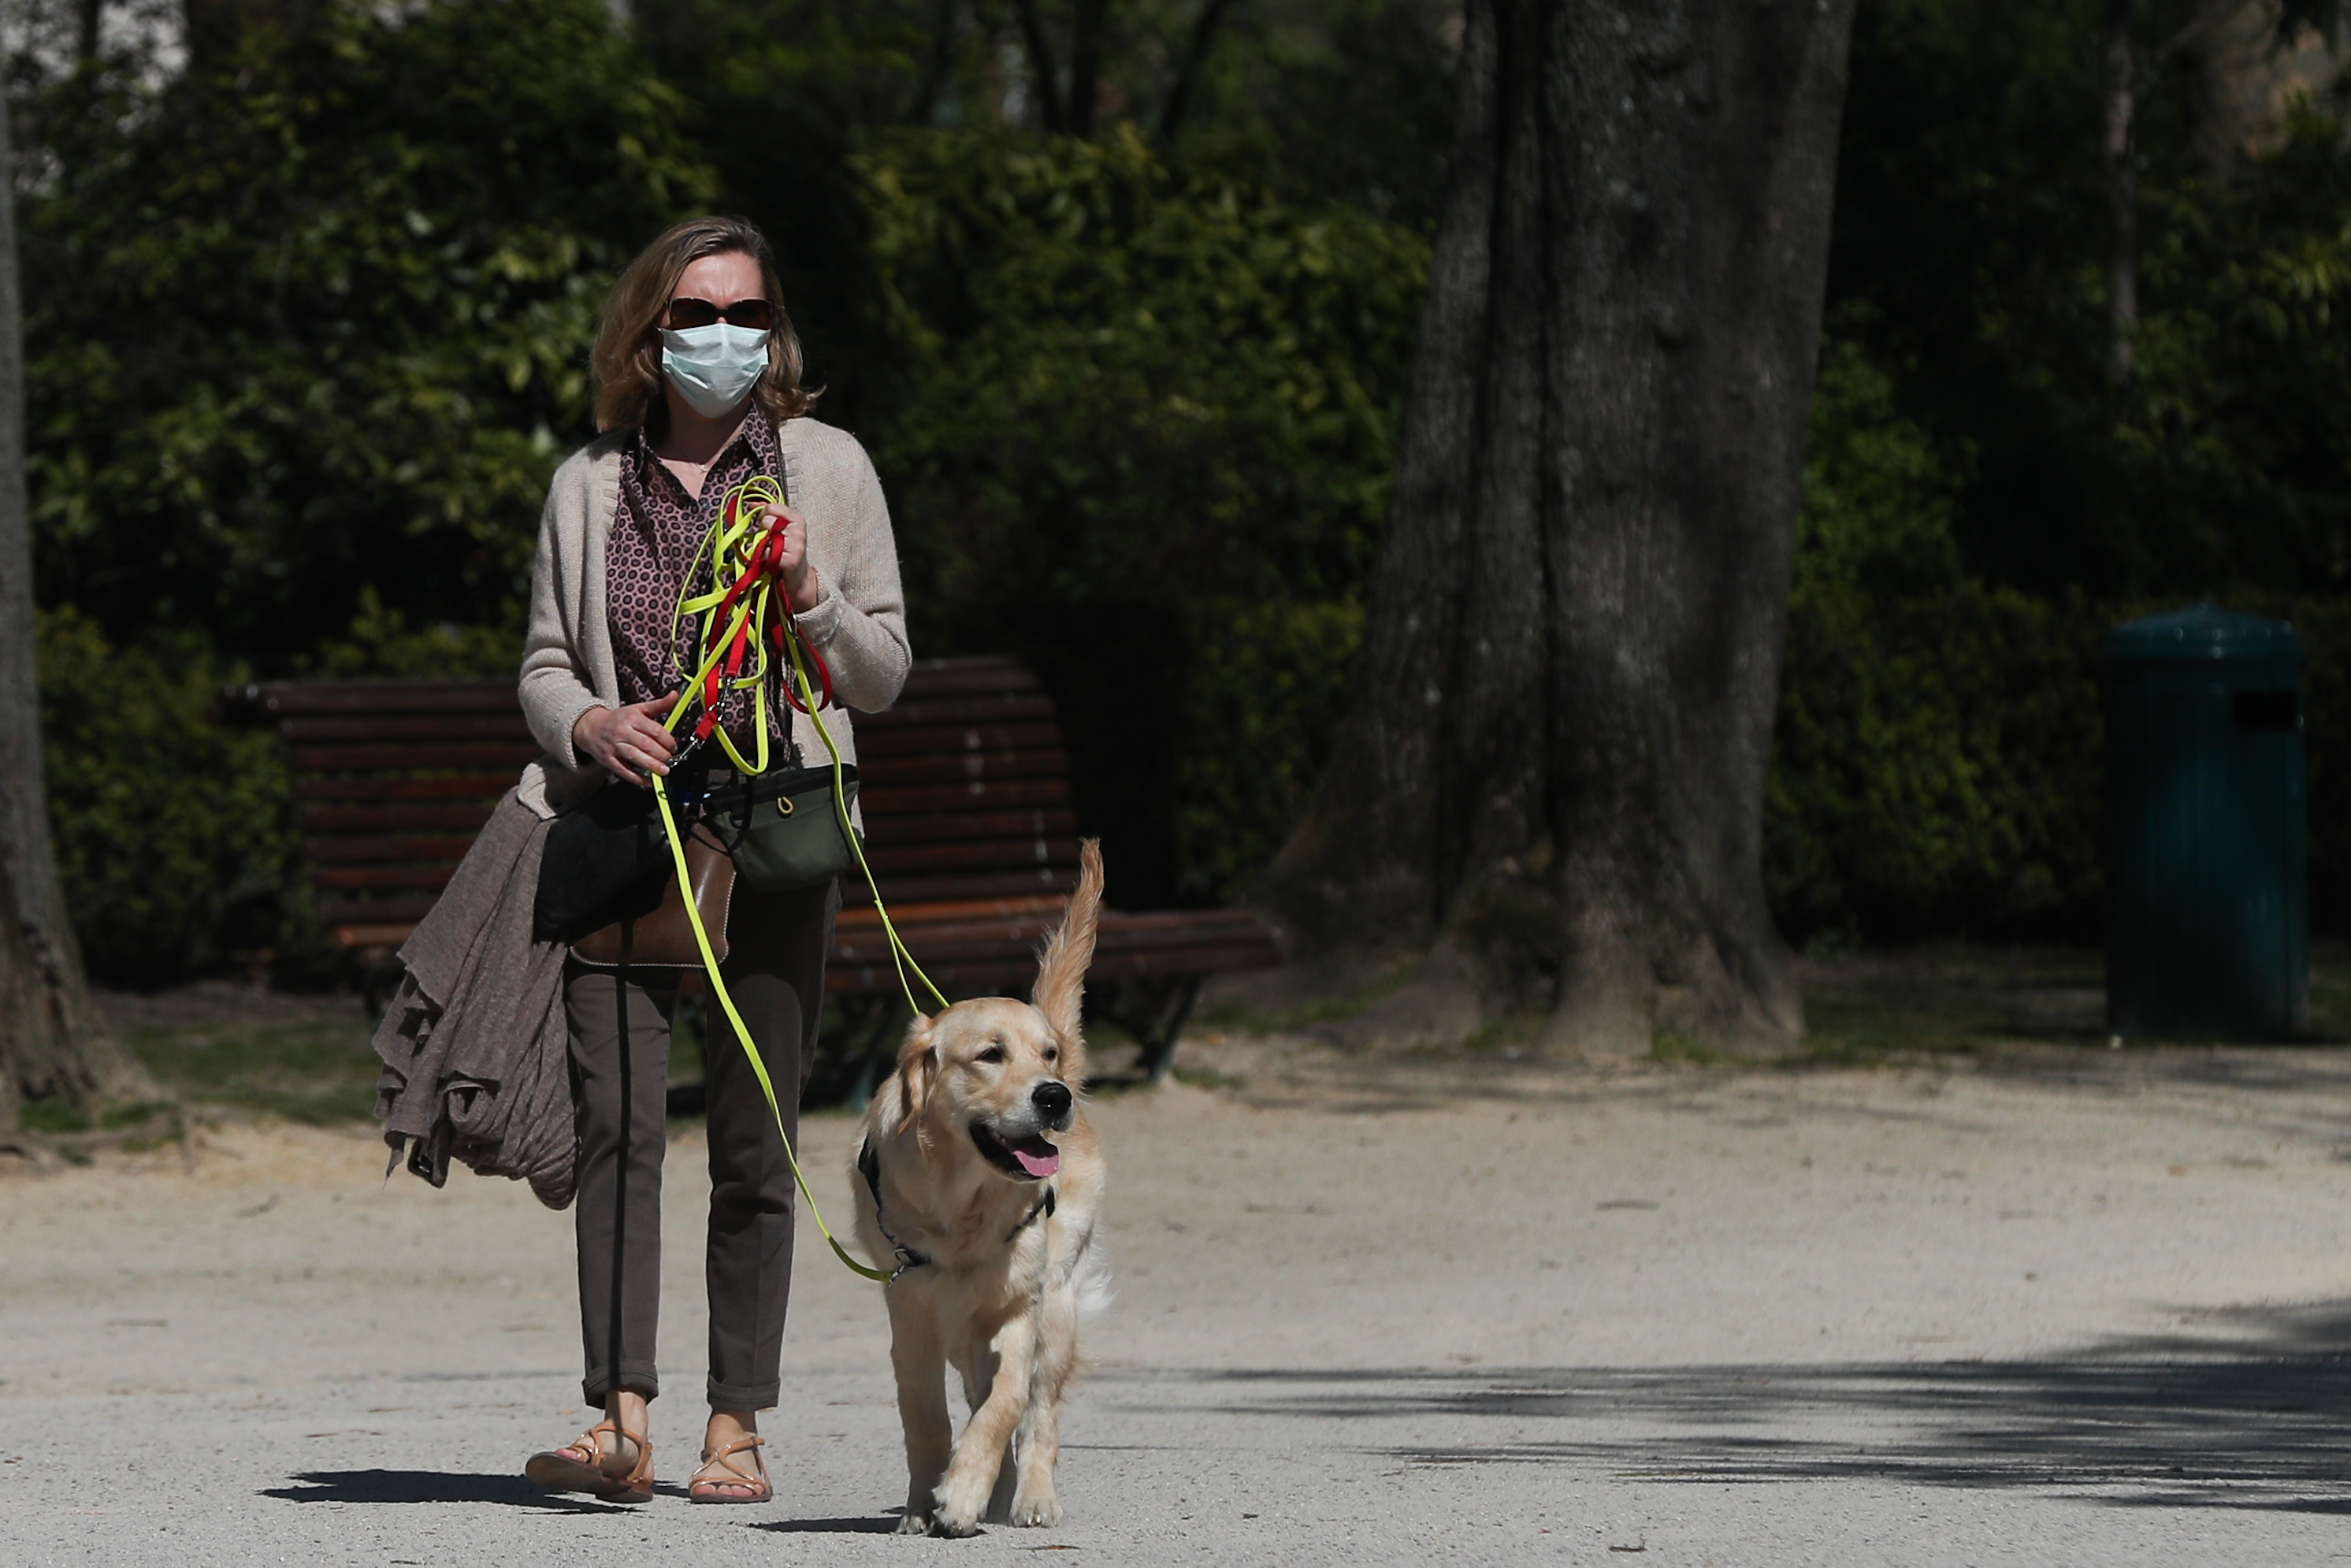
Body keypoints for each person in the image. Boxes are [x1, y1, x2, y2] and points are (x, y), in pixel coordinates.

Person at [515, 215, 909, 1503]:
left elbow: (886, 671)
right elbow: (542, 663)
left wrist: (810, 598)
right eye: (695, 315)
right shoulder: (585, 483)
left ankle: (735, 1423)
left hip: (775, 830)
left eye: (744, 312)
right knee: (619, 1129)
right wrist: (585, 719)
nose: (723, 336)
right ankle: (619, 1417)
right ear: (649, 331)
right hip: (626, 838)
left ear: (773, 329)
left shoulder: (828, 469)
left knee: (756, 1140)